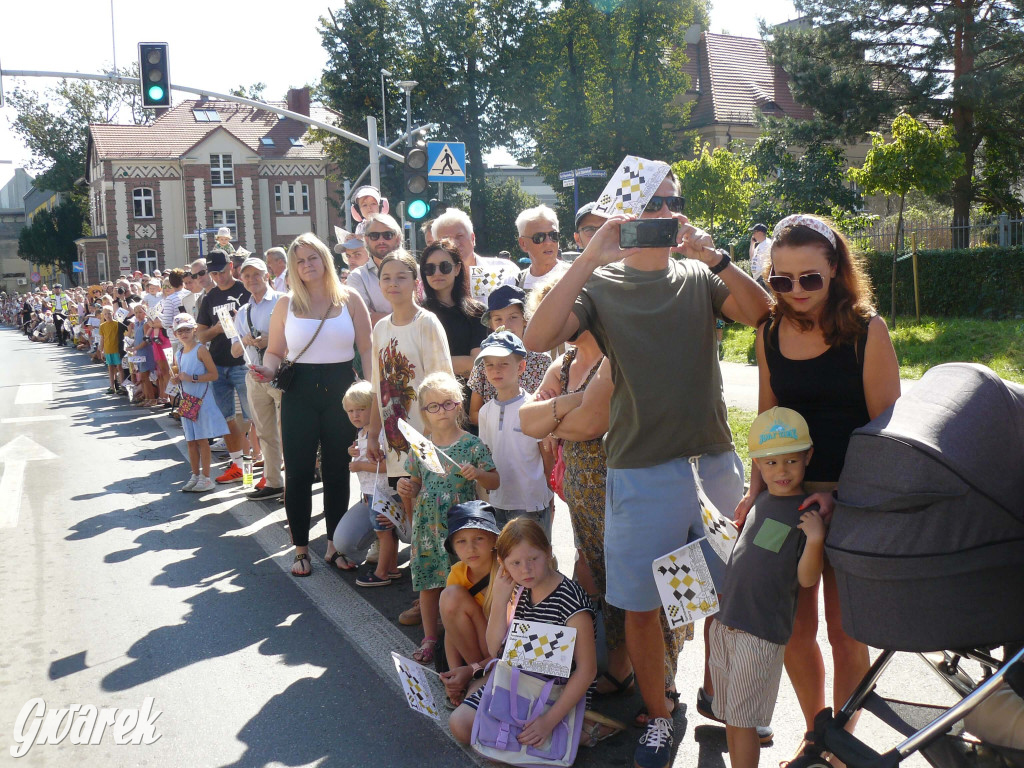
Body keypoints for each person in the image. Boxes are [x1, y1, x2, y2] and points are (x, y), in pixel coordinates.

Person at [524, 169, 773, 768]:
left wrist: (713, 255)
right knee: (641, 602)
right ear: (624, 213)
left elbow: (758, 311)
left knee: (728, 595)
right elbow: (537, 336)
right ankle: (660, 713)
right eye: (650, 205)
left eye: (672, 203)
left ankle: (724, 699)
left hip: (711, 461)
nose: (663, 213)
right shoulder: (601, 284)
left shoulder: (697, 275)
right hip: (638, 468)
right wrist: (590, 254)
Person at [734, 214, 901, 754]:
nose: (797, 290)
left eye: (810, 277)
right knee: (793, 631)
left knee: (846, 634)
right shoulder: (767, 332)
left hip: (855, 499)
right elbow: (766, 418)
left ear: (834, 268)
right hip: (785, 499)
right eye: (781, 280)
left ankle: (841, 748)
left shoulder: (866, 330)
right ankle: (816, 735)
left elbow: (888, 434)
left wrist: (838, 494)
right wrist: (753, 491)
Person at [250, 233, 375, 576]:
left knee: (337, 471)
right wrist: (267, 369)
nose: (307, 265)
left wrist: (371, 388)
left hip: (342, 391)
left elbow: (366, 348)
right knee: (300, 472)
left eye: (312, 258)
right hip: (299, 392)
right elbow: (275, 351)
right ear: (293, 267)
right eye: (300, 260)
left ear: (324, 260)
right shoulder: (286, 304)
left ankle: (334, 545)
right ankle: (301, 549)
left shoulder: (350, 299)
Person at [713, 407, 825, 768]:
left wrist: (815, 541)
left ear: (808, 457)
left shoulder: (804, 511)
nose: (782, 471)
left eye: (791, 461)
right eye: (771, 463)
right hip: (728, 621)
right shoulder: (761, 500)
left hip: (759, 631)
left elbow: (807, 580)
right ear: (758, 464)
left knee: (744, 721)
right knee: (732, 717)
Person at [448, 518, 618, 748]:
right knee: (460, 723)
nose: (525, 570)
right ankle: (573, 734)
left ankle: (575, 729)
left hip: (556, 693)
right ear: (503, 564)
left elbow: (587, 671)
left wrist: (548, 721)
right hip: (520, 681)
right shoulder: (518, 590)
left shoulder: (571, 601)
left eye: (533, 559)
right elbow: (495, 648)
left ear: (548, 553)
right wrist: (499, 600)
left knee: (505, 742)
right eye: (515, 563)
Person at [396, 373, 498, 664]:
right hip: (427, 526)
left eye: (448, 404)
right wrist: (407, 486)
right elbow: (416, 481)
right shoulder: (421, 446)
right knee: (429, 582)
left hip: (461, 527)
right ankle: (430, 637)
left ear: (459, 405)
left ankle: (471, 634)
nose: (441, 411)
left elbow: (495, 481)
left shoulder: (472, 444)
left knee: (465, 578)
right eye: (433, 406)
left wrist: (477, 473)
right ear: (423, 412)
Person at [477, 330, 553, 535]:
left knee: (536, 560)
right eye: (489, 364)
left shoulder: (534, 407)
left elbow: (547, 455)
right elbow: (486, 457)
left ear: (520, 367)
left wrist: (548, 495)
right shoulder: (485, 412)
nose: (495, 370)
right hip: (498, 502)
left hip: (531, 503)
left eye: (503, 363)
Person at [230, 256, 285, 500]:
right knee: (264, 431)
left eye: (256, 274)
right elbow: (234, 349)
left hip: (281, 373)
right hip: (253, 374)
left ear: (267, 276)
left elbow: (294, 337)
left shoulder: (283, 301)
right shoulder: (243, 311)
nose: (252, 279)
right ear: (242, 280)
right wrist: (246, 343)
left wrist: (268, 341)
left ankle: (294, 483)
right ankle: (274, 481)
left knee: (288, 431)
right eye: (247, 276)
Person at [196, 249, 252, 482]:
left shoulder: (245, 289)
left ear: (231, 266)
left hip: (245, 363)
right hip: (219, 365)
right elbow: (201, 336)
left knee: (254, 420)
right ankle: (238, 467)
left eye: (220, 271)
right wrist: (217, 329)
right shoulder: (209, 298)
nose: (217, 277)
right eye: (213, 274)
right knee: (227, 418)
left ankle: (253, 473)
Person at [439, 501, 501, 707]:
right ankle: (473, 677)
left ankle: (481, 674)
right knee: (450, 596)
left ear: (494, 539)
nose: (471, 548)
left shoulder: (507, 569)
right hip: (476, 652)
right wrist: (454, 677)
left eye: (479, 538)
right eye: (461, 542)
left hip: (505, 649)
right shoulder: (457, 573)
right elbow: (451, 628)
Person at [418, 239, 487, 410]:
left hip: (470, 403)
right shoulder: (418, 315)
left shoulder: (477, 312)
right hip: (431, 404)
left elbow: (477, 364)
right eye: (430, 268)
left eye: (444, 266)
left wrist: (431, 365)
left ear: (457, 269)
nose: (437, 273)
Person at [466, 286, 550, 424]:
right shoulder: (484, 360)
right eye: (498, 319)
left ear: (525, 319)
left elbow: (548, 408)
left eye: (513, 317)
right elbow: (474, 414)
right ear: (491, 324)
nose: (506, 325)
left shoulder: (542, 360)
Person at [329, 381, 387, 571]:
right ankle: (380, 544)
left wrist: (360, 465)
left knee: (386, 529)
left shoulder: (383, 433)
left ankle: (386, 568)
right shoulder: (362, 433)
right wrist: (352, 452)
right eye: (350, 411)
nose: (355, 415)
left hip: (389, 496)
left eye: (361, 409)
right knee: (345, 541)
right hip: (369, 496)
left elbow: (391, 466)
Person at [170, 313, 230, 494]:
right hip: (187, 401)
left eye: (187, 330)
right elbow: (181, 376)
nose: (184, 333)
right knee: (191, 441)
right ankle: (195, 475)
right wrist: (176, 380)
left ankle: (206, 477)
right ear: (175, 334)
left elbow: (214, 374)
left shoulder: (201, 350)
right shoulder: (178, 353)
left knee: (202, 440)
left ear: (194, 330)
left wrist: (193, 378)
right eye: (180, 331)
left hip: (201, 400)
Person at [432, 208, 517, 303]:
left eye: (459, 236)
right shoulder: (434, 279)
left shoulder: (505, 269)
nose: (454, 243)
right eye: (446, 239)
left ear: (472, 238)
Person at [348, 213, 403, 326]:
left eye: (387, 235)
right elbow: (365, 320)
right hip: (378, 343)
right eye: (374, 236)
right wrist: (408, 318)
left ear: (397, 239)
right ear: (367, 240)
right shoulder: (357, 277)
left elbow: (425, 314)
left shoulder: (416, 271)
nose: (381, 240)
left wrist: (379, 316)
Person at [515, 205, 569, 291]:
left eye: (553, 235)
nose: (548, 242)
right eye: (539, 237)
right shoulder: (513, 283)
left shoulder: (576, 277)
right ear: (523, 244)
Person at [99, 307, 126, 394]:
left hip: (116, 349)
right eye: (105, 314)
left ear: (113, 313)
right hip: (108, 350)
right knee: (110, 368)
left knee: (119, 367)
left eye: (109, 313)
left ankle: (122, 386)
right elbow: (102, 338)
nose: (108, 315)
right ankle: (112, 386)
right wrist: (101, 350)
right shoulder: (102, 326)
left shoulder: (117, 324)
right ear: (103, 315)